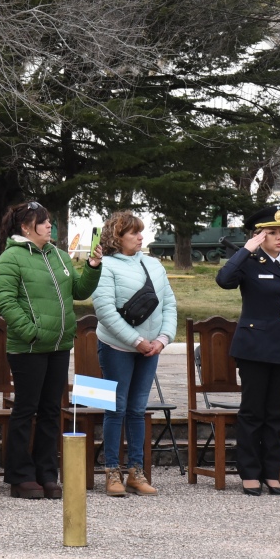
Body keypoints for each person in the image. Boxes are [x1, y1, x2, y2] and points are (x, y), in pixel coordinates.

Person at [0, 201, 101, 499]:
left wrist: (92, 267)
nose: (49, 226)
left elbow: (78, 292)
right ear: (26, 227)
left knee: (52, 411)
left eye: (50, 221)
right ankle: (20, 476)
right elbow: (5, 301)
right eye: (43, 222)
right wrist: (32, 332)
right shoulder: (10, 258)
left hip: (59, 345)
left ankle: (46, 474)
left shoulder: (59, 255)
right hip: (28, 348)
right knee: (26, 410)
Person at [216, 205, 280, 496]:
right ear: (259, 236)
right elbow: (223, 280)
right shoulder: (248, 262)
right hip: (255, 349)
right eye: (272, 233)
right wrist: (245, 249)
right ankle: (250, 472)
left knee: (276, 414)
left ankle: (272, 472)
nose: (279, 238)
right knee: (253, 412)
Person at [92, 211, 176, 497]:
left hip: (151, 349)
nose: (141, 236)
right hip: (117, 347)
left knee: (138, 410)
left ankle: (136, 472)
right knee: (116, 408)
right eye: (133, 233)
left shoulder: (153, 265)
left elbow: (169, 305)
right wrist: (137, 339)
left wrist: (162, 340)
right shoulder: (106, 266)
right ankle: (112, 471)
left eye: (141, 231)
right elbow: (103, 310)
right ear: (117, 237)